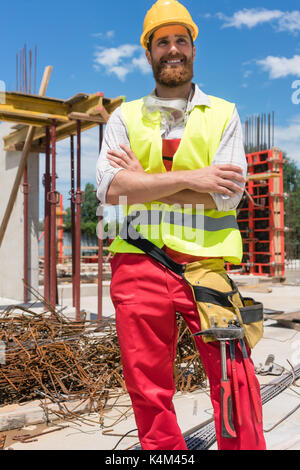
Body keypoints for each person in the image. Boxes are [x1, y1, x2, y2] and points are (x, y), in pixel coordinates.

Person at [96, 0, 266, 451]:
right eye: (162, 41)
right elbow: (110, 189)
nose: (173, 49)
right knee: (147, 387)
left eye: (181, 40)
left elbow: (227, 193)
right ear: (148, 53)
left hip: (206, 267)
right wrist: (195, 178)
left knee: (236, 378)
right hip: (138, 263)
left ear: (193, 48)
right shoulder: (125, 117)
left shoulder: (222, 113)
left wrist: (145, 182)